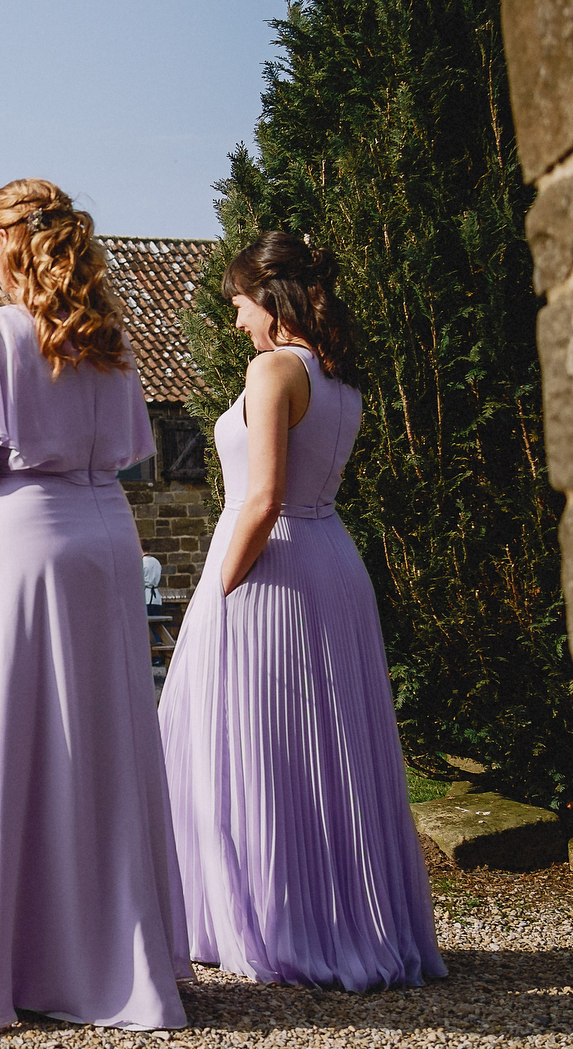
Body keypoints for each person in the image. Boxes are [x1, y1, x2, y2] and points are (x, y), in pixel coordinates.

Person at [0, 179, 188, 1031]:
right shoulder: (111, 342)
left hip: (26, 538)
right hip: (109, 540)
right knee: (106, 737)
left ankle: (21, 961)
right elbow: (126, 455)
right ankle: (120, 951)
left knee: (20, 735)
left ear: (5, 245)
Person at [158, 232, 443, 989]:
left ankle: (264, 921)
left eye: (240, 304)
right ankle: (337, 915)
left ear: (271, 298)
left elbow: (262, 499)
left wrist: (219, 589)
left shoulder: (274, 368)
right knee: (324, 753)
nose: (238, 321)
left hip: (273, 567)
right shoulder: (339, 379)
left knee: (258, 744)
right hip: (333, 562)